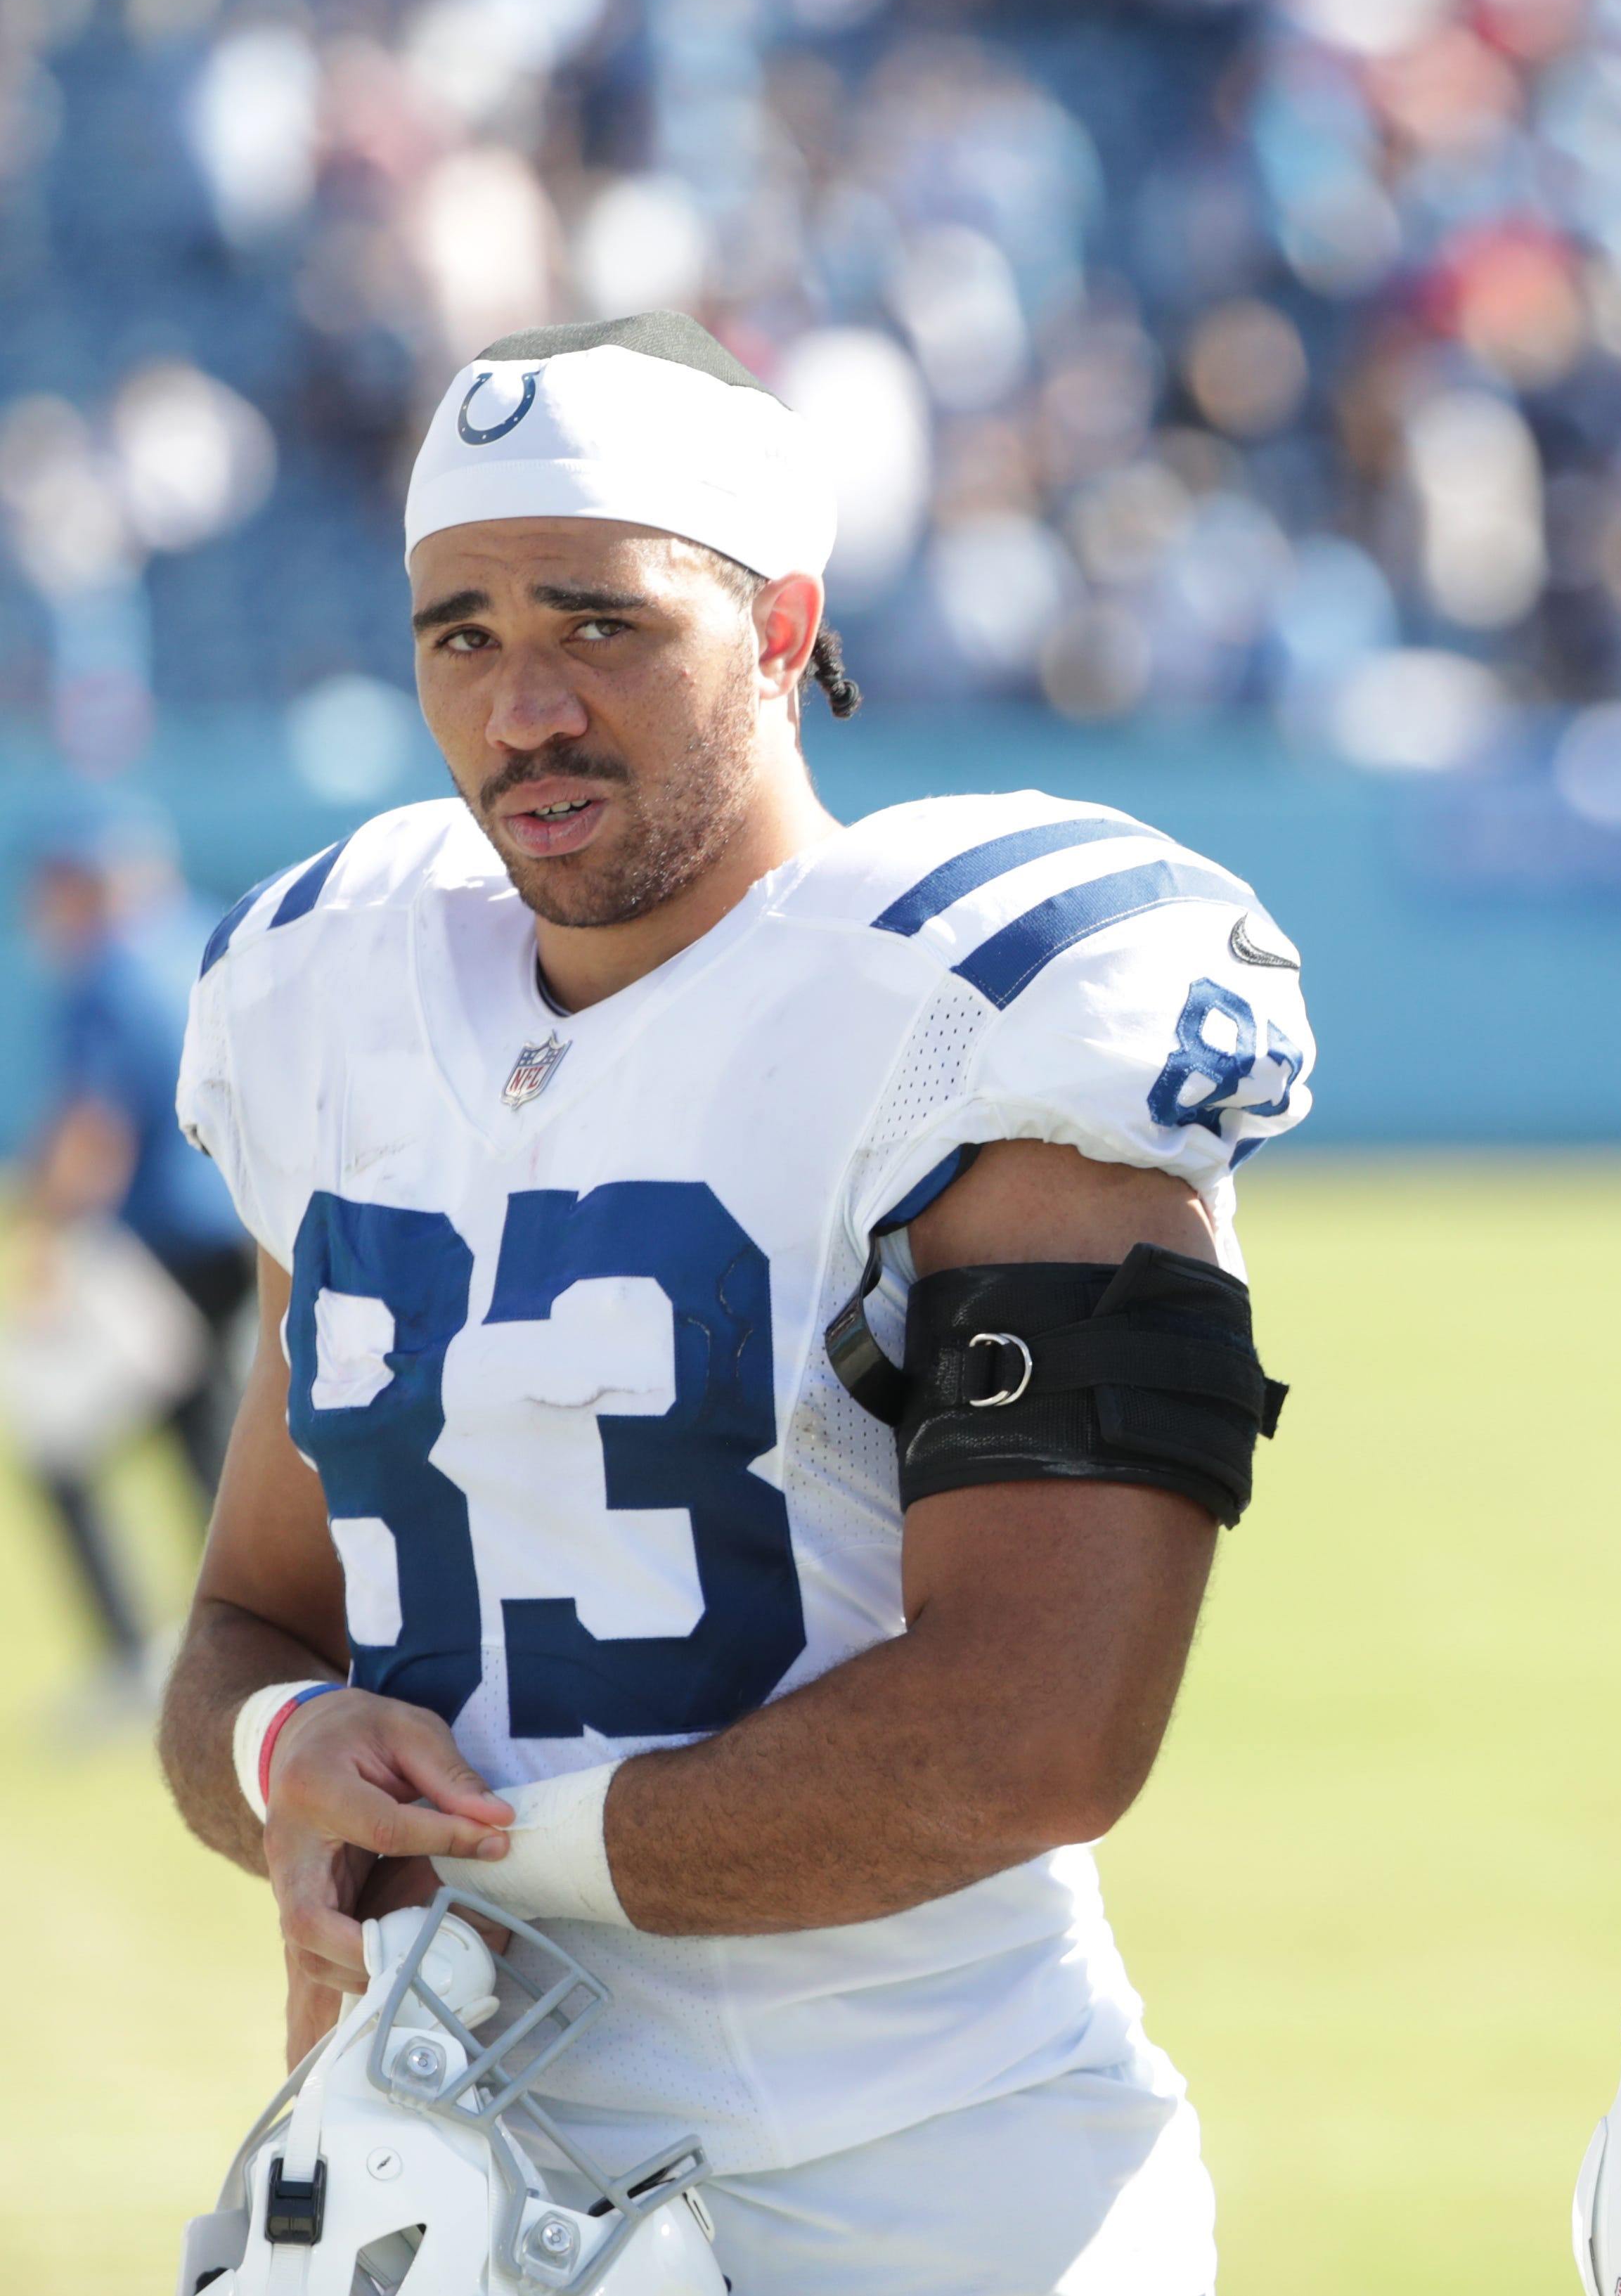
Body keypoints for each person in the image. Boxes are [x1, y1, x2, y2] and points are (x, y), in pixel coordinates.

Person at [155, 311, 1310, 2295]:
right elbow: (247, 1627)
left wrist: (475, 1849)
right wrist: (286, 1755)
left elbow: (1034, 1732)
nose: (522, 710)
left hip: (918, 2184)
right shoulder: (327, 990)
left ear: (781, 630)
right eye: (463, 631)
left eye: (601, 625)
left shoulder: (983, 1003)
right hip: (427, 2161)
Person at [16, 794, 254, 1683]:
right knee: (212, 1441)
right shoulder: (204, 941)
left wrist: (45, 1236)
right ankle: (239, 1643)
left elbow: (93, 1130)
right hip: (236, 1229)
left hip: (151, 1245)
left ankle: (129, 1656)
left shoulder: (107, 969)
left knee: (60, 1442)